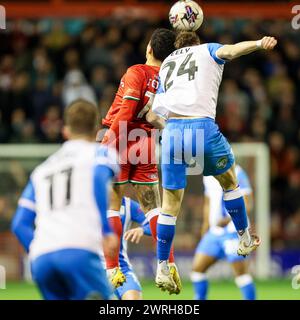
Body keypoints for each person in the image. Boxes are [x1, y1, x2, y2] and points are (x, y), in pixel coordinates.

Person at [152, 31, 277, 293]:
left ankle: (162, 266)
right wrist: (258, 44)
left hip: (173, 131)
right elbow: (232, 51)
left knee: (169, 205)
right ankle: (244, 238)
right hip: (202, 127)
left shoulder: (166, 65)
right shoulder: (206, 50)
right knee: (230, 181)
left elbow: (156, 112)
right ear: (196, 42)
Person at [12, 99, 119, 300]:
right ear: (96, 129)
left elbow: (19, 224)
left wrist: (37, 250)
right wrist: (106, 231)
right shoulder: (100, 153)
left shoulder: (41, 170)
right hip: (79, 250)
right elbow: (97, 178)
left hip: (42, 259)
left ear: (66, 130)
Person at [101, 28, 181, 293]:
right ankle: (165, 265)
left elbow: (125, 114)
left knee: (112, 205)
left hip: (121, 139)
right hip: (147, 142)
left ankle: (112, 268)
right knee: (154, 209)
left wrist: (106, 145)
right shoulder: (171, 80)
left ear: (149, 48)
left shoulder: (137, 71)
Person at [191, 165, 256, 300]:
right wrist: (205, 226)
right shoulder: (207, 175)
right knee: (197, 269)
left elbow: (248, 203)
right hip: (214, 232)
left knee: (241, 274)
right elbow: (208, 202)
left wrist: (228, 219)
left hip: (234, 231)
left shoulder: (237, 172)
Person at [108, 197, 151, 300]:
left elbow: (156, 224)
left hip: (121, 267)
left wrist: (142, 229)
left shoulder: (129, 205)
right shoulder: (89, 198)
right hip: (92, 265)